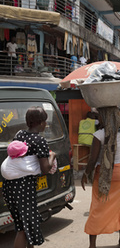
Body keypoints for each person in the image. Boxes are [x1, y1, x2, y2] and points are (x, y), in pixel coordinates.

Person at [2, 106, 56, 248]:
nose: (46, 124)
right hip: (24, 188)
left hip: (9, 186)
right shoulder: (40, 141)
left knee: (25, 224)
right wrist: (52, 156)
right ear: (40, 122)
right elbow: (45, 169)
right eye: (45, 121)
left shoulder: (19, 134)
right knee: (24, 229)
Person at [81, 107, 120, 248]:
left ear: (105, 118)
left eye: (100, 116)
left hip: (102, 173)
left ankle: (92, 245)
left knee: (97, 207)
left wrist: (85, 175)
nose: (98, 119)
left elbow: (92, 159)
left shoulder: (99, 135)